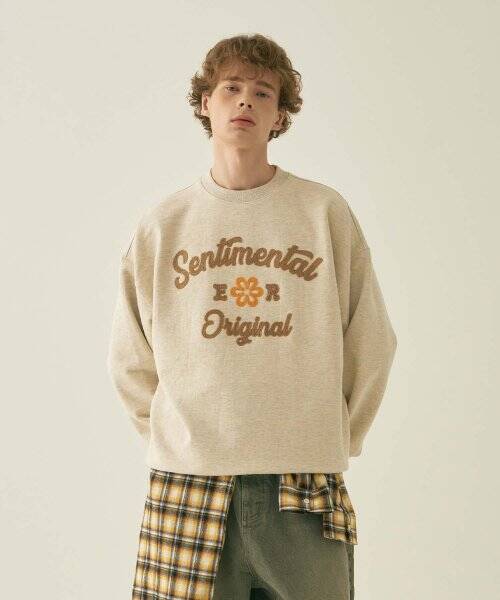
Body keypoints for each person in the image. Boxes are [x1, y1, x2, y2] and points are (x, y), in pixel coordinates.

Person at [107, 33, 397, 600]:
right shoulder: (164, 224)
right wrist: (175, 437)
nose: (245, 100)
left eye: (263, 92)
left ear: (280, 116)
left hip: (303, 483)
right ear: (205, 103)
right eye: (231, 88)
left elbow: (371, 338)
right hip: (188, 483)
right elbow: (130, 356)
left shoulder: (322, 212)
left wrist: (335, 435)